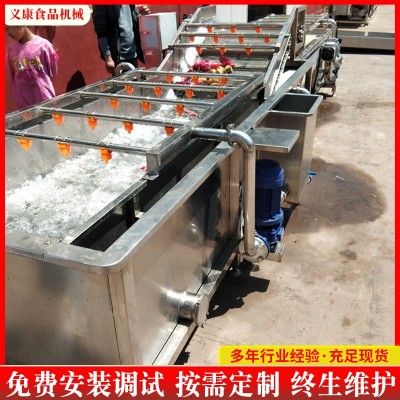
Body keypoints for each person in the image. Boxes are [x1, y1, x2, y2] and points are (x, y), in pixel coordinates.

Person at [6, 25, 58, 109]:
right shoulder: (12, 50)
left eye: (8, 28)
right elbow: (14, 76)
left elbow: (53, 71)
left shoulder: (44, 45)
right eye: (5, 29)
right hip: (23, 106)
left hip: (44, 100)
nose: (7, 32)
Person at [92, 5, 150, 75]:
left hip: (133, 53)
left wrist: (143, 14)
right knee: (122, 82)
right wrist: (108, 58)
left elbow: (135, 23)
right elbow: (101, 32)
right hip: (118, 58)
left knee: (134, 80)